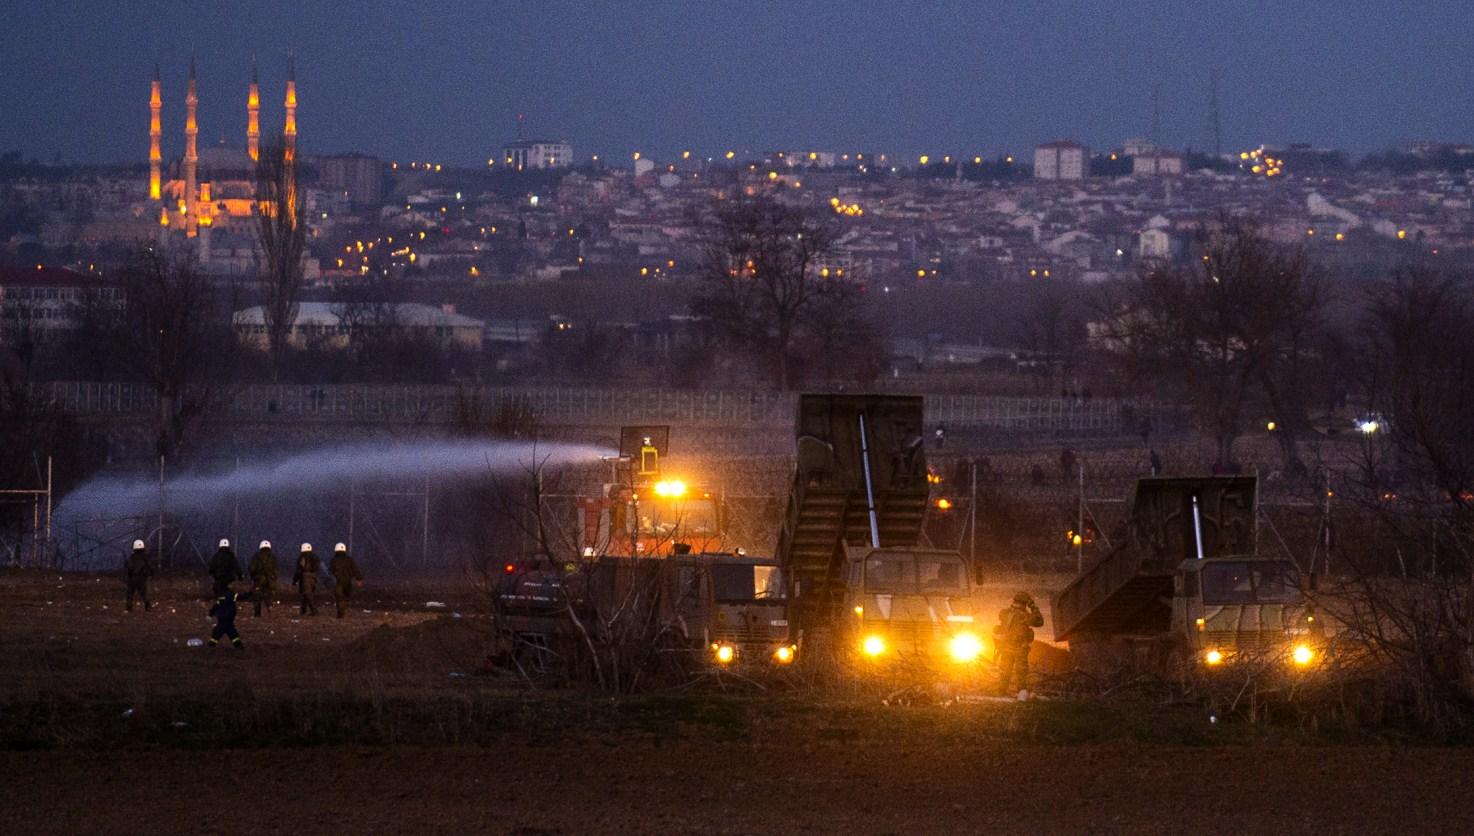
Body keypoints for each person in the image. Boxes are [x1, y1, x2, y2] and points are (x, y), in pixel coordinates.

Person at [993, 591, 1044, 697]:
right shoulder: (1024, 616)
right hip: (1020, 648)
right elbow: (1039, 621)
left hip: (1006, 647)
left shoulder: (1004, 612)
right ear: (1025, 603)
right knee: (1021, 672)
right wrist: (1033, 606)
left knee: (1005, 671)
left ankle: (1001, 692)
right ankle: (1021, 693)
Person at [328, 542, 364, 619]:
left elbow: (330, 572)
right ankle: (342, 611)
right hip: (348, 582)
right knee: (346, 597)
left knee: (339, 598)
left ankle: (340, 613)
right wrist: (359, 579)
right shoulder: (349, 559)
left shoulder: (333, 560)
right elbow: (355, 569)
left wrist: (329, 581)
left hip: (338, 582)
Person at [248, 540, 278, 618]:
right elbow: (276, 569)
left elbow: (252, 567)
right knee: (268, 595)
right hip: (269, 579)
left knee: (257, 596)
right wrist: (274, 577)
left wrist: (253, 576)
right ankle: (270, 607)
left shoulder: (256, 556)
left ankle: (257, 614)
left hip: (258, 579)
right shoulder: (272, 557)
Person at [124, 539, 153, 612]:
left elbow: (128, 567)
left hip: (133, 578)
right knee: (144, 593)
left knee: (130, 593)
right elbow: (151, 567)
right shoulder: (146, 557)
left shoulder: (132, 557)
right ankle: (148, 606)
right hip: (142, 578)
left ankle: (129, 607)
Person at [292, 542, 320, 616]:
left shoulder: (302, 557)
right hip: (314, 576)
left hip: (305, 576)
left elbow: (299, 570)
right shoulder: (315, 557)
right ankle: (303, 611)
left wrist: (295, 580)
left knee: (307, 594)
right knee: (307, 594)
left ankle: (314, 611)